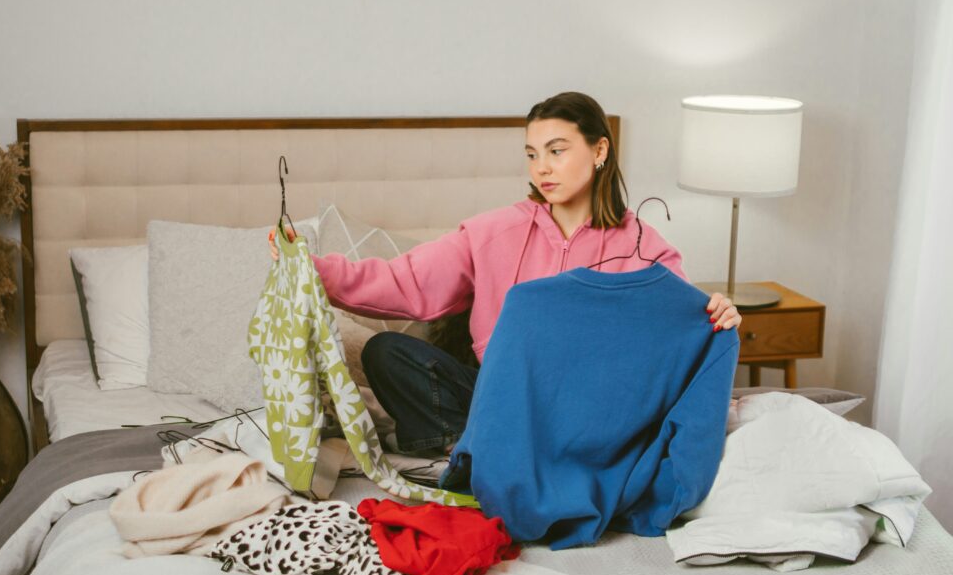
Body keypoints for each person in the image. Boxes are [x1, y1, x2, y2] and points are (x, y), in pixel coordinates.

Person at [269, 92, 742, 457]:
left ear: (600, 150)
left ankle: (505, 450)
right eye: (532, 154)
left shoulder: (643, 246)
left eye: (557, 151)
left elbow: (677, 327)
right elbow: (405, 281)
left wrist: (716, 313)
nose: (542, 169)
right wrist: (309, 268)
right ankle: (470, 449)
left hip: (582, 405)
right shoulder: (493, 231)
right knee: (386, 351)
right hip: (496, 394)